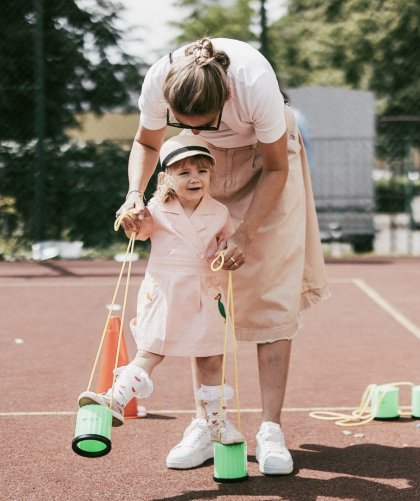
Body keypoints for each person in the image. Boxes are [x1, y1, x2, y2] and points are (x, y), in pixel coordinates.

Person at [117, 37, 328, 475]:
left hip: (266, 161)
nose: (200, 126)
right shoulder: (161, 79)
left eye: (207, 122)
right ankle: (208, 424)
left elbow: (276, 167)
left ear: (226, 99)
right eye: (185, 122)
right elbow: (147, 142)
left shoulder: (255, 84)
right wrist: (135, 194)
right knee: (203, 288)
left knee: (272, 292)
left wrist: (245, 235)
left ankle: (271, 428)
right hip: (203, 163)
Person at [78, 135, 245, 461]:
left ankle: (215, 422)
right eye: (183, 173)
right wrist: (130, 218)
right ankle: (116, 397)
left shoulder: (220, 212)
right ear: (167, 177)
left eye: (201, 170)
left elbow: (229, 245)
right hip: (166, 291)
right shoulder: (156, 209)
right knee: (151, 350)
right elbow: (137, 231)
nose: (194, 178)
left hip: (206, 292)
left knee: (212, 358)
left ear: (211, 174)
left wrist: (229, 253)